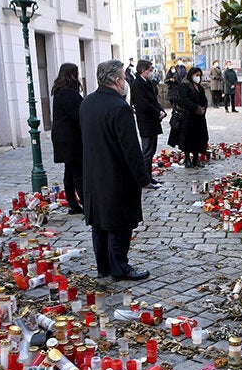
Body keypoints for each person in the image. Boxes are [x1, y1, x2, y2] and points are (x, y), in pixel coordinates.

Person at [79, 60, 152, 281]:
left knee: (99, 223)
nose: (125, 82)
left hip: (93, 173)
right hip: (116, 174)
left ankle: (103, 266)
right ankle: (119, 267)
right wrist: (143, 178)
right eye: (123, 77)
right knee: (119, 223)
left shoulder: (87, 103)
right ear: (117, 80)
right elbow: (131, 148)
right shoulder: (120, 107)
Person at [51, 63, 85, 215]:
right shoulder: (67, 92)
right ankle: (83, 201)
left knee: (70, 170)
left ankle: (73, 204)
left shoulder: (60, 90)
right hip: (71, 138)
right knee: (77, 171)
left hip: (63, 137)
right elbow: (78, 114)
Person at [130, 59, 166, 183]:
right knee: (147, 151)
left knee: (151, 150)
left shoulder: (148, 83)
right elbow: (143, 104)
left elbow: (154, 101)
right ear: (143, 71)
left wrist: (161, 111)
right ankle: (145, 179)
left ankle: (149, 177)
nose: (152, 72)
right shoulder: (137, 84)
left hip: (153, 121)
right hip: (146, 121)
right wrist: (157, 114)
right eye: (150, 70)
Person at [178, 66, 209, 168]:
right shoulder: (185, 85)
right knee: (188, 137)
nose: (198, 78)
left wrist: (203, 109)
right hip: (189, 116)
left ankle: (196, 158)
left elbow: (204, 99)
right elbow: (185, 99)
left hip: (199, 117)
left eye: (199, 75)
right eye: (196, 75)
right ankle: (187, 158)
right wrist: (196, 108)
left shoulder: (199, 87)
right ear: (191, 75)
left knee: (199, 137)